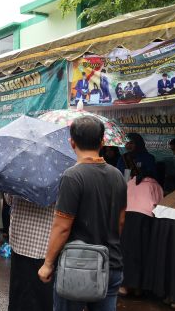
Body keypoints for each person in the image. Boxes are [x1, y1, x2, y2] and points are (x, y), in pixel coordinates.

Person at [38, 115, 127, 311]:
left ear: (71, 142)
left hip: (76, 265)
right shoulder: (118, 176)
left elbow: (62, 227)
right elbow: (120, 221)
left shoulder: (72, 176)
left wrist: (48, 264)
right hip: (110, 264)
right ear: (103, 141)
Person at [119, 169, 163, 297]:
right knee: (142, 252)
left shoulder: (130, 182)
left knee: (126, 251)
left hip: (126, 216)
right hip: (144, 220)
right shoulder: (155, 185)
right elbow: (160, 206)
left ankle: (123, 286)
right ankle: (138, 288)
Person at [7, 195, 54, 311]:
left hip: (20, 240)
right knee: (42, 296)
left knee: (18, 292)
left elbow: (9, 200)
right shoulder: (57, 179)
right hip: (45, 243)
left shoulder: (18, 178)